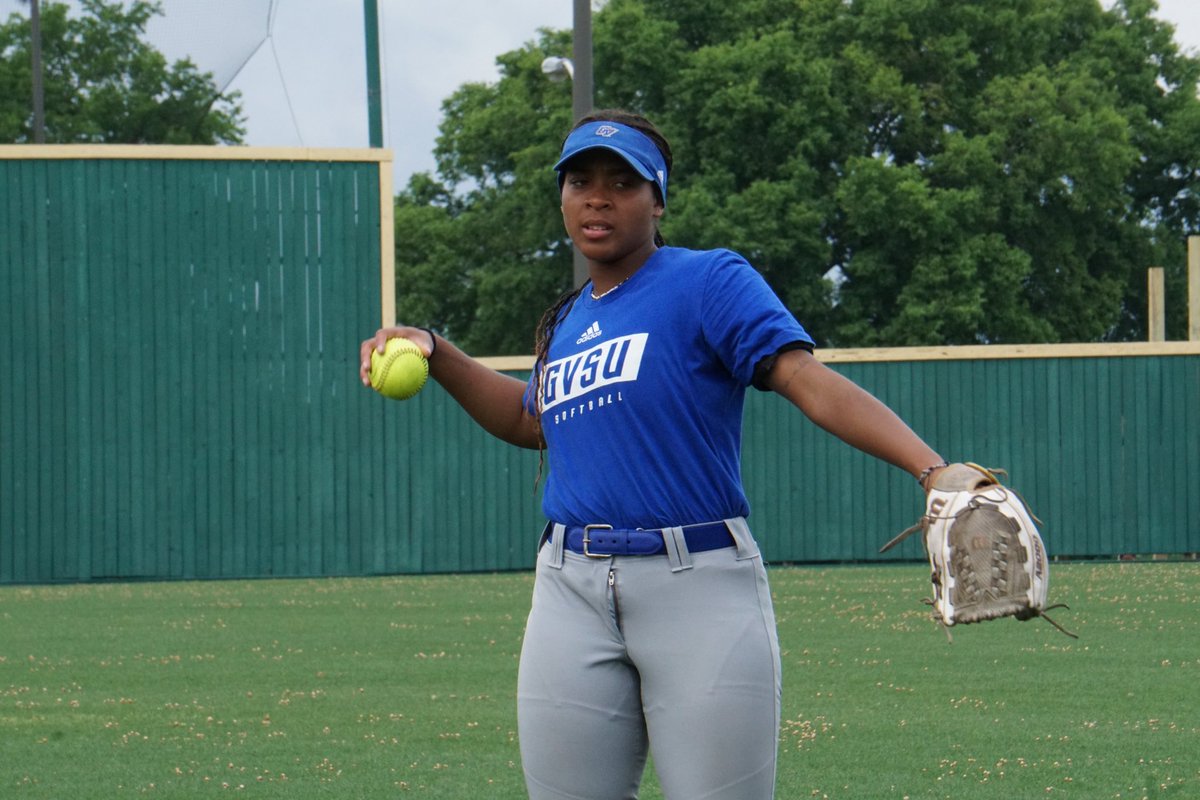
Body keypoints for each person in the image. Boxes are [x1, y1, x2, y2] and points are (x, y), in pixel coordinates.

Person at [360, 110, 947, 800]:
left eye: (622, 182)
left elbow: (802, 378)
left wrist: (932, 469)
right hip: (568, 589)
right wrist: (439, 351)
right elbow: (532, 420)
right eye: (580, 181)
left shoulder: (707, 281)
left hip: (696, 583)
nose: (597, 197)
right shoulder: (570, 321)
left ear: (657, 199)